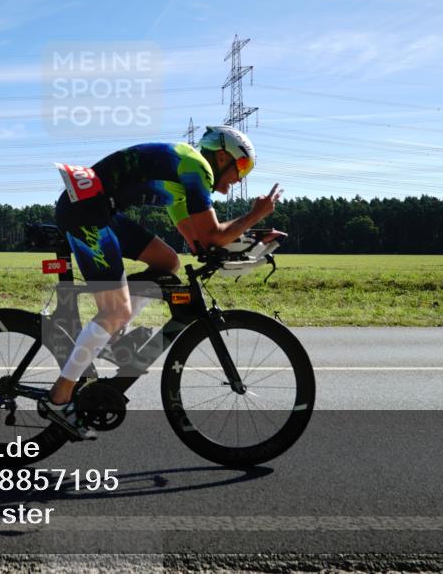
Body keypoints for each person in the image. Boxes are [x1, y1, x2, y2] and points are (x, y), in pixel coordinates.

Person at [40, 126, 283, 438]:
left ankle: (112, 330)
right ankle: (60, 397)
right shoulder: (196, 168)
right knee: (115, 312)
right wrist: (255, 216)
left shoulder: (183, 181)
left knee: (168, 262)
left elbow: (201, 244)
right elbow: (212, 235)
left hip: (100, 209)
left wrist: (249, 244)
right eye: (242, 168)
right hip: (87, 210)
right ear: (223, 156)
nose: (239, 179)